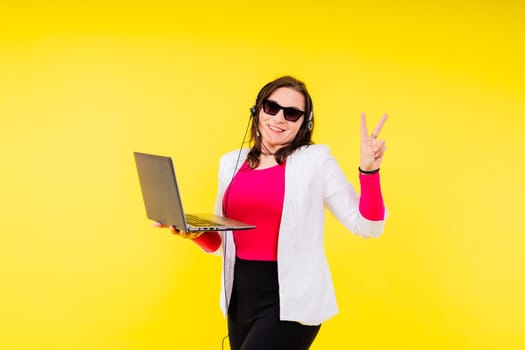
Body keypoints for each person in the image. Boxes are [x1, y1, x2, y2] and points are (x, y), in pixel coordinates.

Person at [155, 75, 388, 350]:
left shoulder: (316, 162)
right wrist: (191, 233)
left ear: (304, 122)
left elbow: (368, 226)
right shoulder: (231, 162)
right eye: (271, 107)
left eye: (292, 113)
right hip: (239, 297)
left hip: (292, 301)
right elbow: (222, 244)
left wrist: (369, 171)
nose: (279, 118)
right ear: (257, 109)